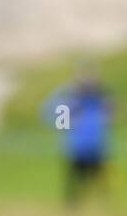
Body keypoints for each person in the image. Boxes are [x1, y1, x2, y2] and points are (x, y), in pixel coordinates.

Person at [44, 62, 113, 205]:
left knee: (97, 186)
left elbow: (110, 118)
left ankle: (97, 208)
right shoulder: (70, 100)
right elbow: (55, 117)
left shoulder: (101, 100)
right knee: (75, 187)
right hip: (77, 148)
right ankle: (75, 208)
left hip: (95, 147)